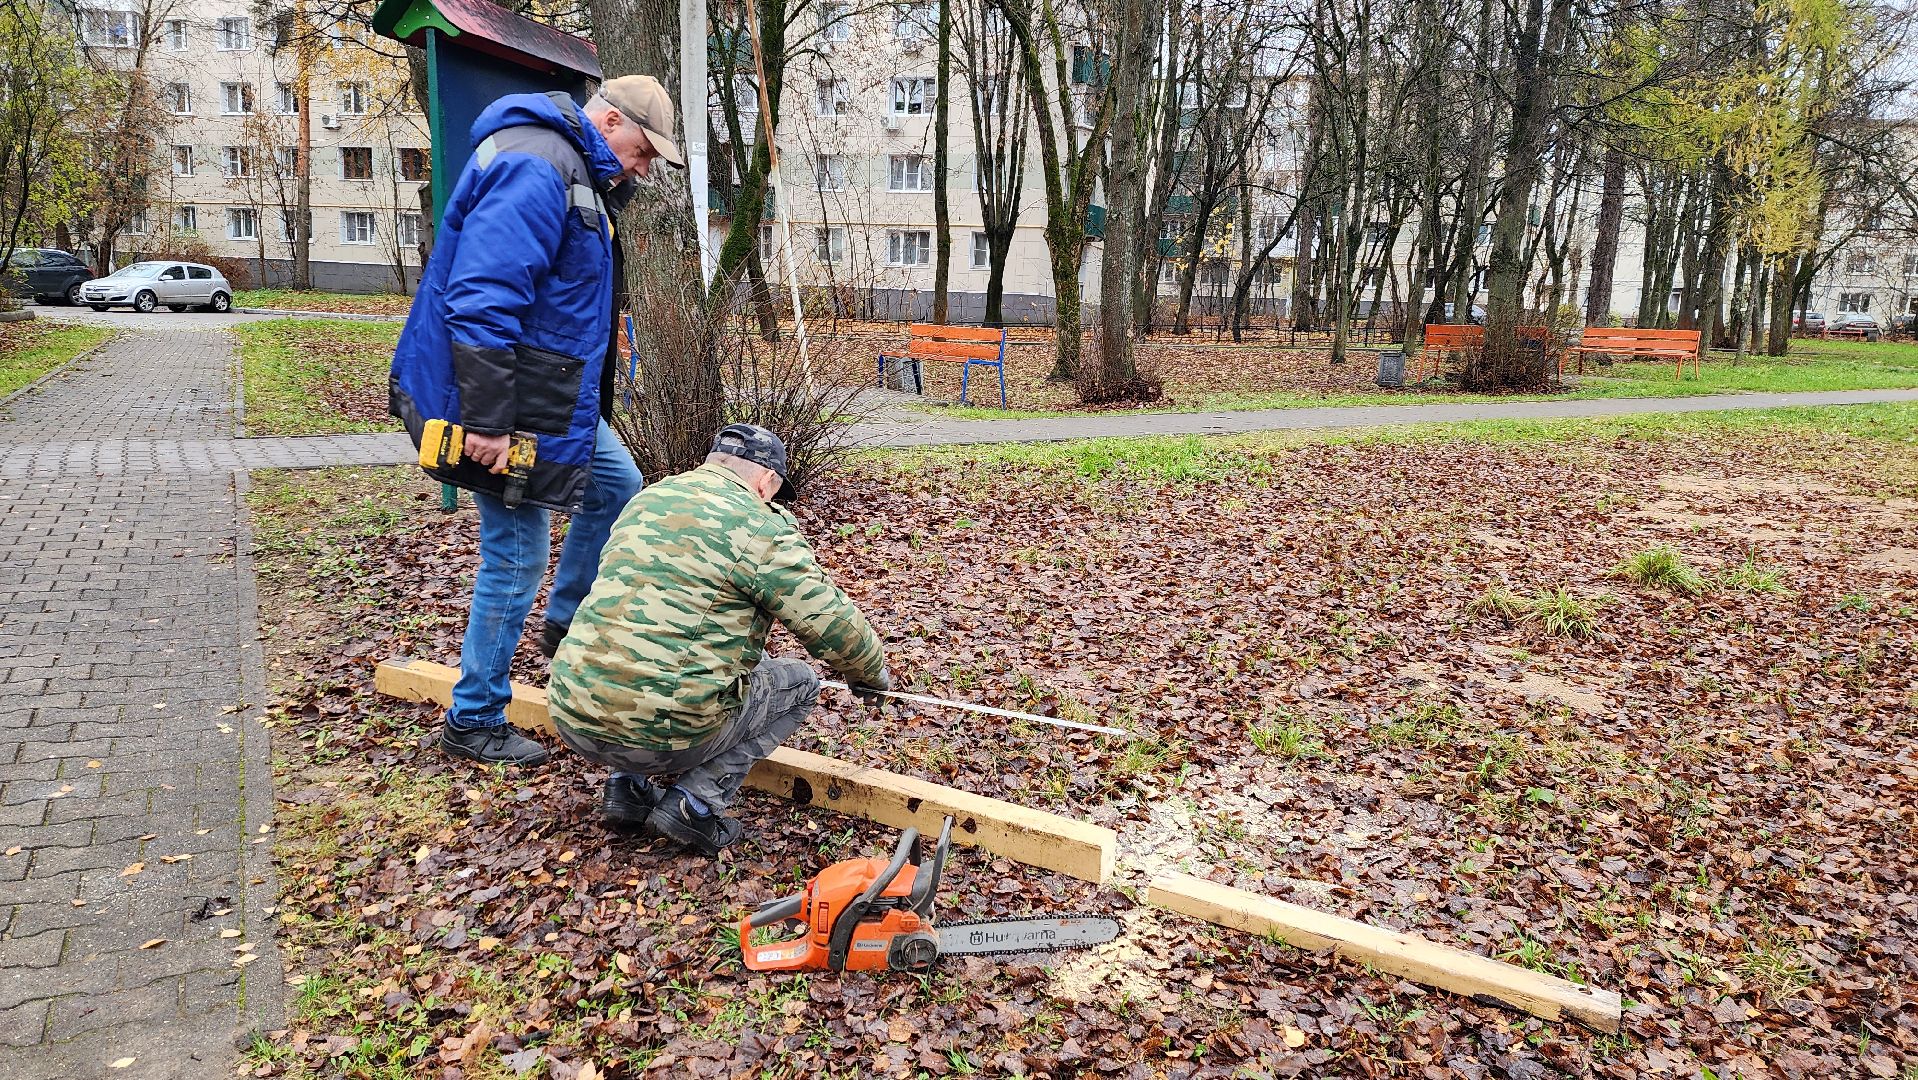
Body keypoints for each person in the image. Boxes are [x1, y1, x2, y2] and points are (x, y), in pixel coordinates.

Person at [389, 77, 686, 766]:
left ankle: (567, 621)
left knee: (618, 483)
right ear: (609, 120)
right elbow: (483, 299)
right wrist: (488, 423)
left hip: (546, 404)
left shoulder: (575, 169)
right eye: (642, 152)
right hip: (496, 407)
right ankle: (475, 717)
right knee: (517, 556)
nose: (643, 169)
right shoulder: (538, 163)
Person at [547, 424, 893, 856]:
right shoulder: (758, 527)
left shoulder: (648, 500)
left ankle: (626, 787)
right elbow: (830, 622)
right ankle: (695, 805)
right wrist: (871, 674)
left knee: (650, 644)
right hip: (660, 735)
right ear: (767, 481)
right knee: (802, 683)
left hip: (571, 713)